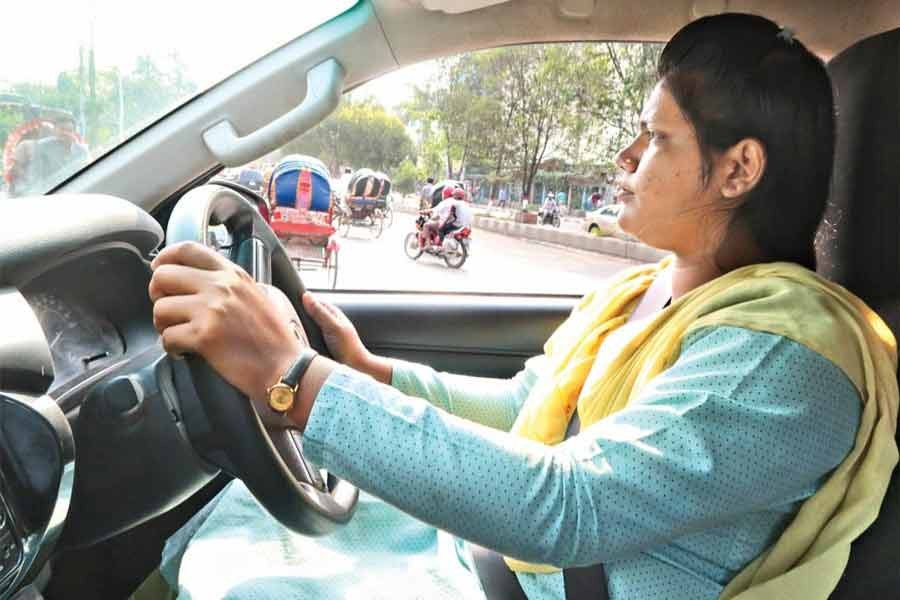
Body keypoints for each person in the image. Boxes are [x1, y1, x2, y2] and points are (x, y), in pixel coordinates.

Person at [143, 14, 899, 600]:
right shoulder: (648, 292)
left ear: (738, 169)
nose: (626, 157)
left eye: (656, 137)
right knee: (231, 532)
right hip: (504, 566)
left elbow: (570, 507)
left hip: (544, 577)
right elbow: (528, 408)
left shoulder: (787, 361)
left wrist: (293, 379)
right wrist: (370, 374)